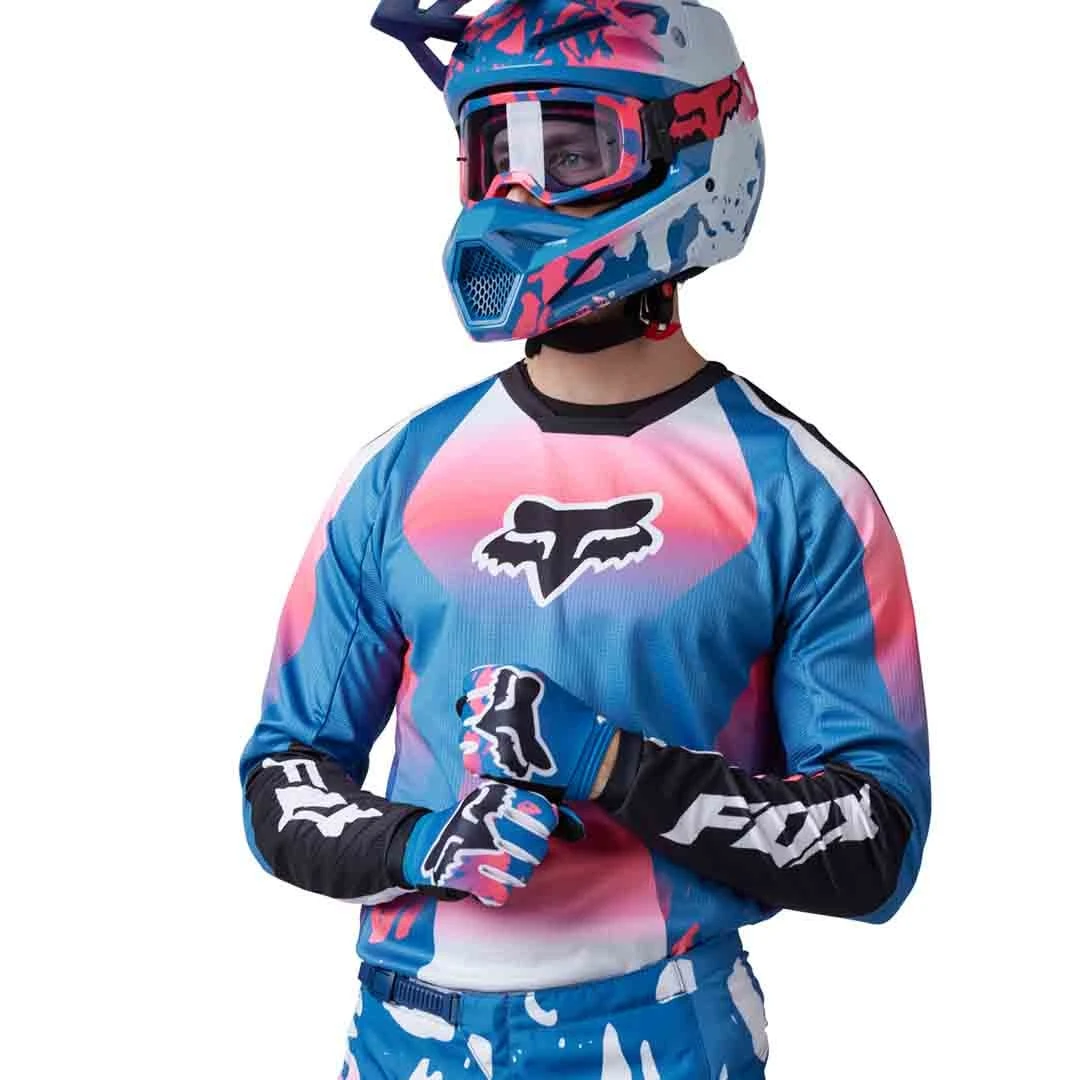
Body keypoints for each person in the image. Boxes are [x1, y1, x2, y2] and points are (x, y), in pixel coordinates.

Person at [238, 2, 931, 1077]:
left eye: (570, 151)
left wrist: (614, 764)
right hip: (407, 1033)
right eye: (495, 153)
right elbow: (281, 775)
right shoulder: (398, 476)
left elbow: (877, 841)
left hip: (662, 1031)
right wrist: (420, 845)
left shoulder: (802, 494)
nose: (518, 194)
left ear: (690, 149)